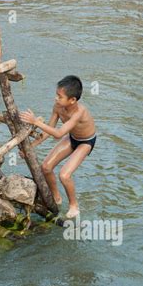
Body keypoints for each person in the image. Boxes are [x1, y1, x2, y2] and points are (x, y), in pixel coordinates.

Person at [20, 75, 96, 219]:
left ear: (72, 100)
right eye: (56, 95)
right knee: (46, 167)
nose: (56, 99)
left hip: (86, 141)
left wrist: (35, 121)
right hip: (73, 137)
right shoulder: (58, 107)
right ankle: (57, 197)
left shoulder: (80, 112)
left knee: (64, 175)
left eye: (60, 96)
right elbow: (50, 128)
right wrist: (30, 147)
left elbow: (59, 134)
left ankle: (74, 206)